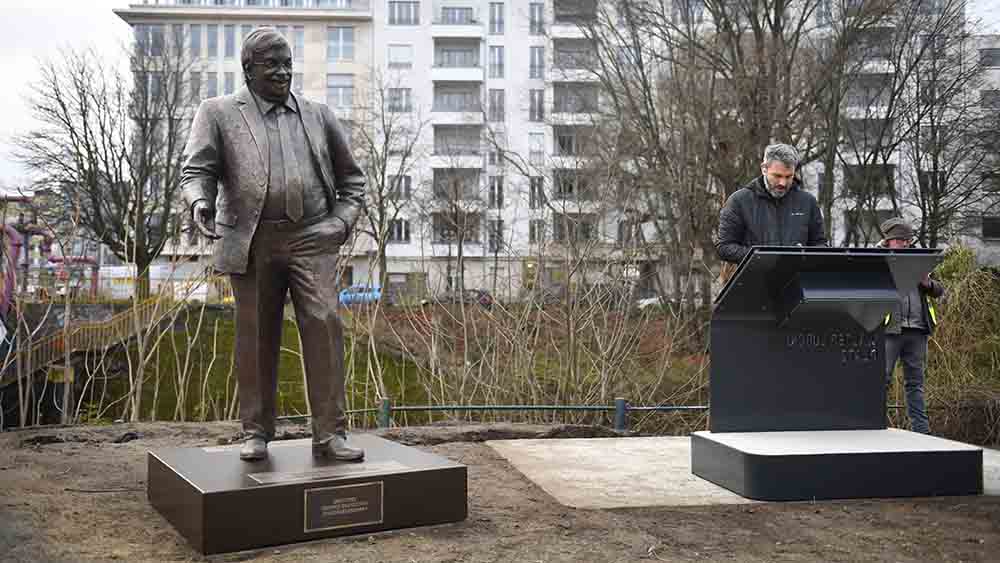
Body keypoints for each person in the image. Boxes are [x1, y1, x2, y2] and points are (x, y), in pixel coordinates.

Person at [181, 28, 366, 462]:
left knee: (324, 327)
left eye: (287, 63)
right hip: (252, 241)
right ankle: (256, 432)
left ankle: (330, 434)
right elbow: (196, 171)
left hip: (312, 239)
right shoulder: (218, 112)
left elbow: (352, 180)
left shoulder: (319, 115)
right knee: (257, 336)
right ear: (248, 70)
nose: (283, 72)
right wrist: (200, 202)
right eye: (272, 65)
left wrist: (339, 223)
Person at [878, 217, 944, 435]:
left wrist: (927, 282)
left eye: (907, 239)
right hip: (889, 331)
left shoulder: (920, 259)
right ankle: (874, 427)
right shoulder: (877, 259)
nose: (905, 243)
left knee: (915, 383)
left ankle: (921, 432)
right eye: (900, 239)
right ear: (888, 240)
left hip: (917, 330)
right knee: (881, 380)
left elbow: (939, 290)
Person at [715, 143, 827, 264]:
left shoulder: (807, 202)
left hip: (799, 280)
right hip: (755, 279)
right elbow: (724, 247)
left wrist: (803, 256)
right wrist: (762, 258)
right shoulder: (739, 201)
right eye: (777, 176)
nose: (783, 183)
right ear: (764, 169)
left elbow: (820, 245)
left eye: (789, 176)